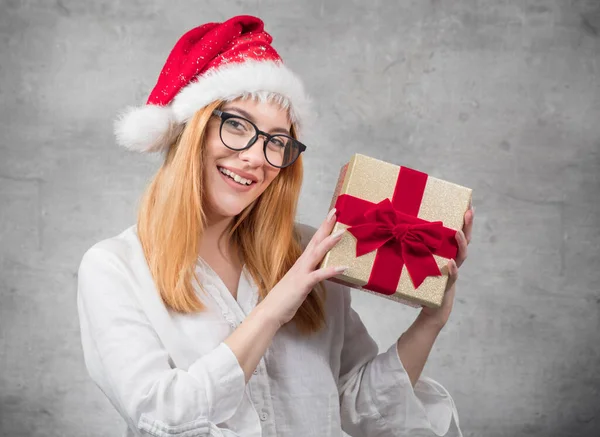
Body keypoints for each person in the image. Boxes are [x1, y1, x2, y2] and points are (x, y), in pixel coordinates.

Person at [77, 15, 473, 437]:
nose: (256, 157)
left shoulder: (312, 251)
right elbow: (165, 418)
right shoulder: (114, 268)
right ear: (191, 131)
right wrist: (273, 309)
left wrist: (430, 322)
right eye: (236, 125)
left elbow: (357, 410)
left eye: (276, 141)